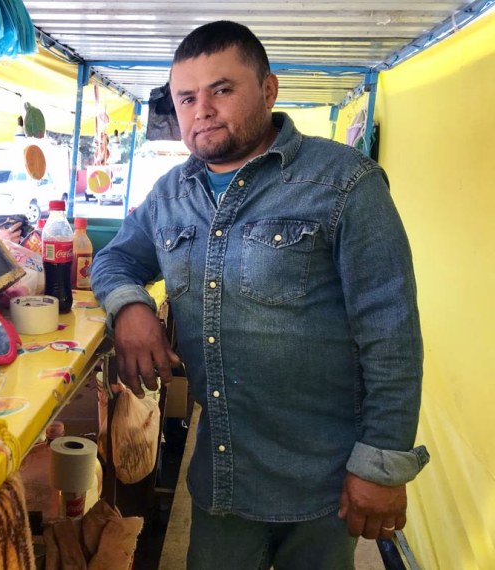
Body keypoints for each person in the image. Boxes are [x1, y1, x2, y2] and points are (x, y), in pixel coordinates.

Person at [90, 20, 429, 569]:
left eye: (222, 89)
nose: (202, 109)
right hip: (221, 476)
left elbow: (390, 331)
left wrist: (381, 465)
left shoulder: (344, 183)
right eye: (186, 97)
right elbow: (117, 257)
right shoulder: (172, 192)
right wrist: (130, 306)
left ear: (268, 90)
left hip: (321, 482)